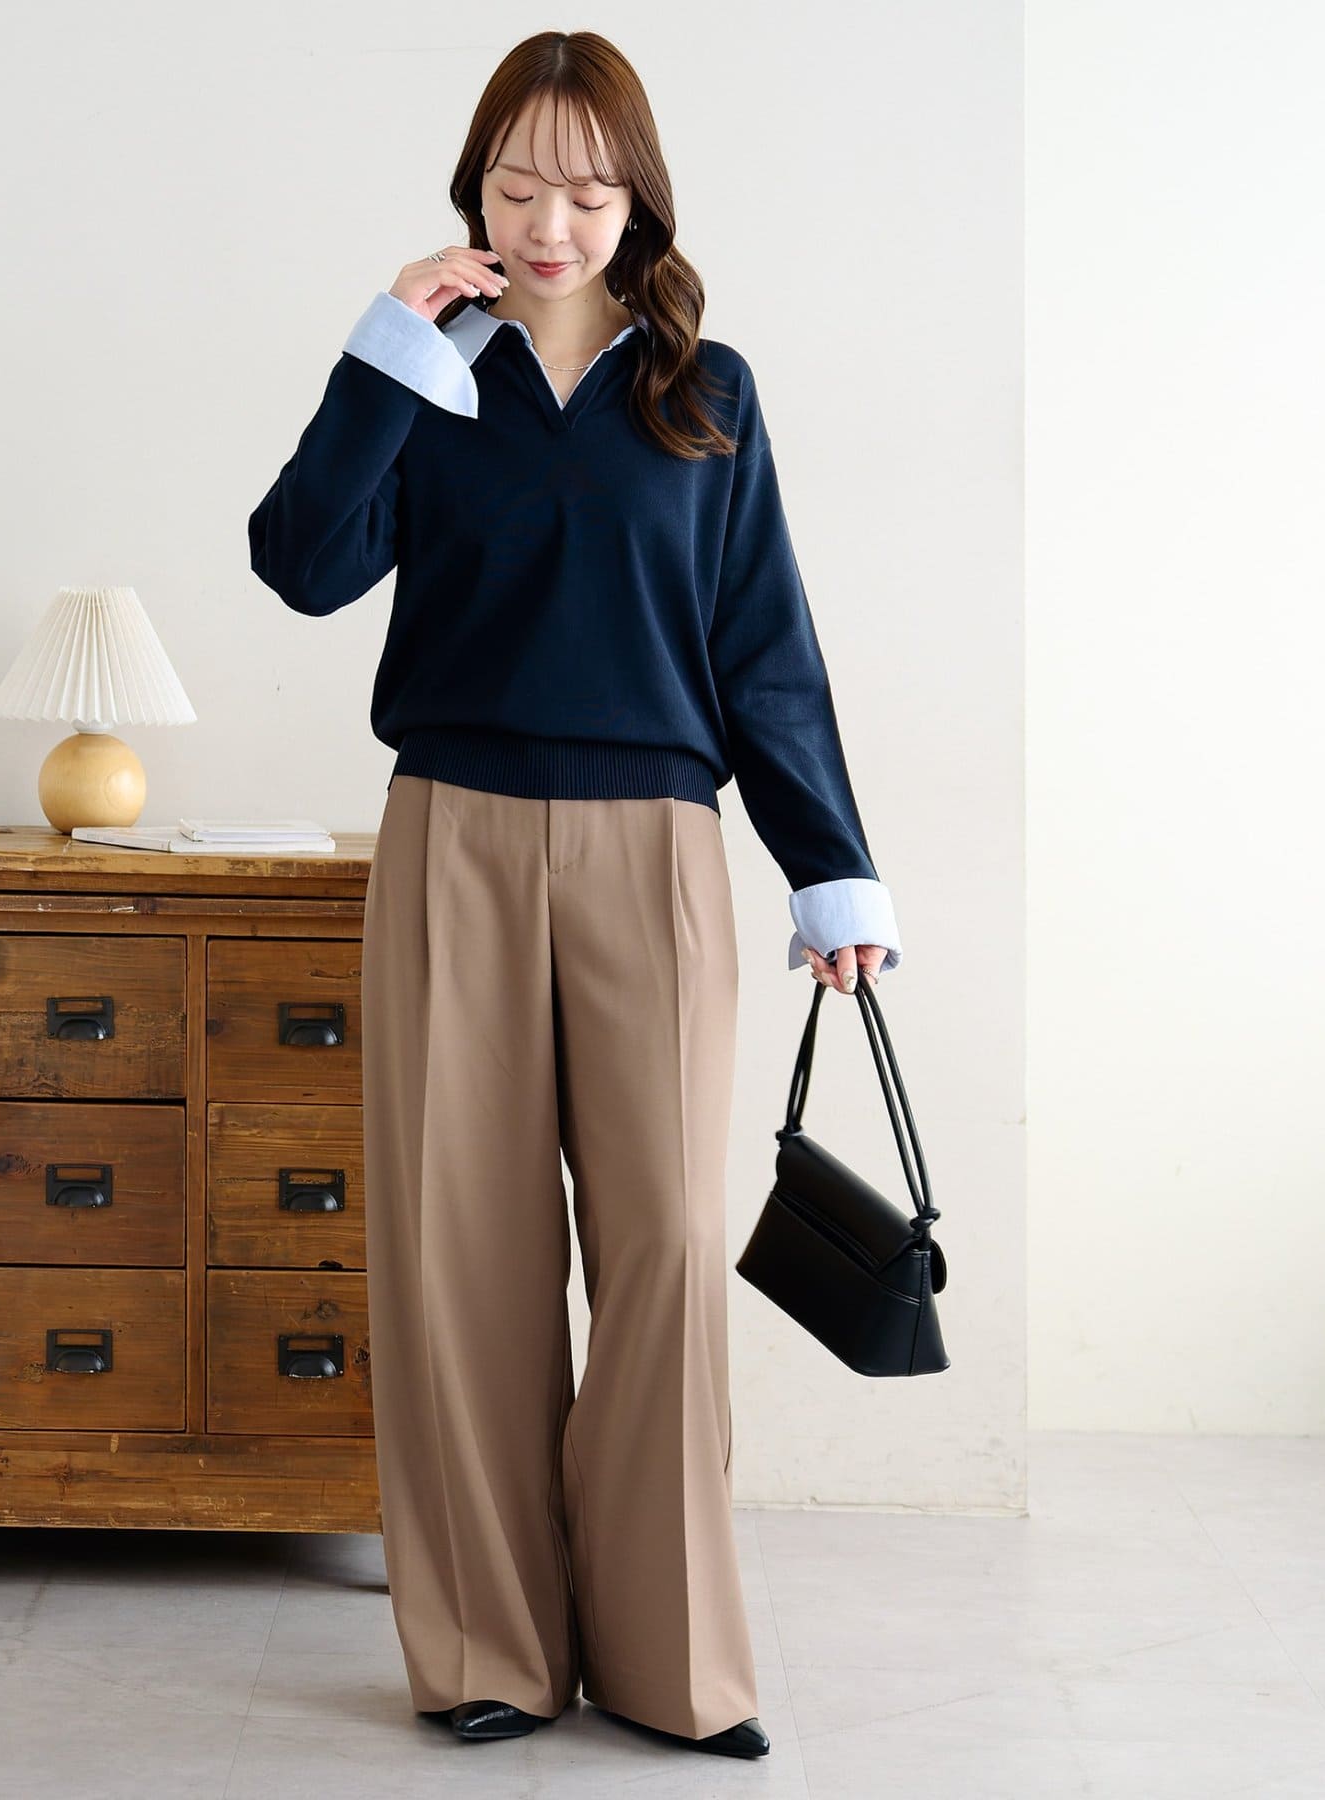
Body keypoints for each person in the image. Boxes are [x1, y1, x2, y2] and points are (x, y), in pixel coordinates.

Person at [247, 28, 901, 1764]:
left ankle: (675, 1664)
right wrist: (389, 349)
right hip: (452, 837)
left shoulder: (705, 388)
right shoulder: (427, 374)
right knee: (460, 1253)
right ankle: (488, 1650)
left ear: (640, 204)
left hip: (653, 854)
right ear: (474, 191)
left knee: (668, 1250)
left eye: (588, 193)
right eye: (518, 186)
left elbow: (765, 649)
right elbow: (301, 564)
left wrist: (830, 870)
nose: (549, 224)